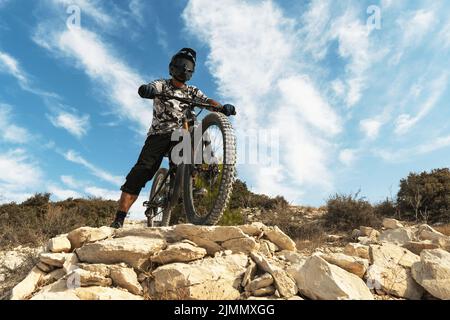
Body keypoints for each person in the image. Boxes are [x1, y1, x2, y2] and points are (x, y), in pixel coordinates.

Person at [110, 48, 236, 228]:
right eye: (181, 64)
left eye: (189, 66)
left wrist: (222, 108)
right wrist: (147, 90)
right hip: (159, 134)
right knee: (141, 172)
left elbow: (208, 102)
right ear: (173, 67)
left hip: (182, 133)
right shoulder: (162, 84)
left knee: (198, 133)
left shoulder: (193, 91)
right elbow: (152, 88)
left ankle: (196, 178)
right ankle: (119, 219)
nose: (185, 68)